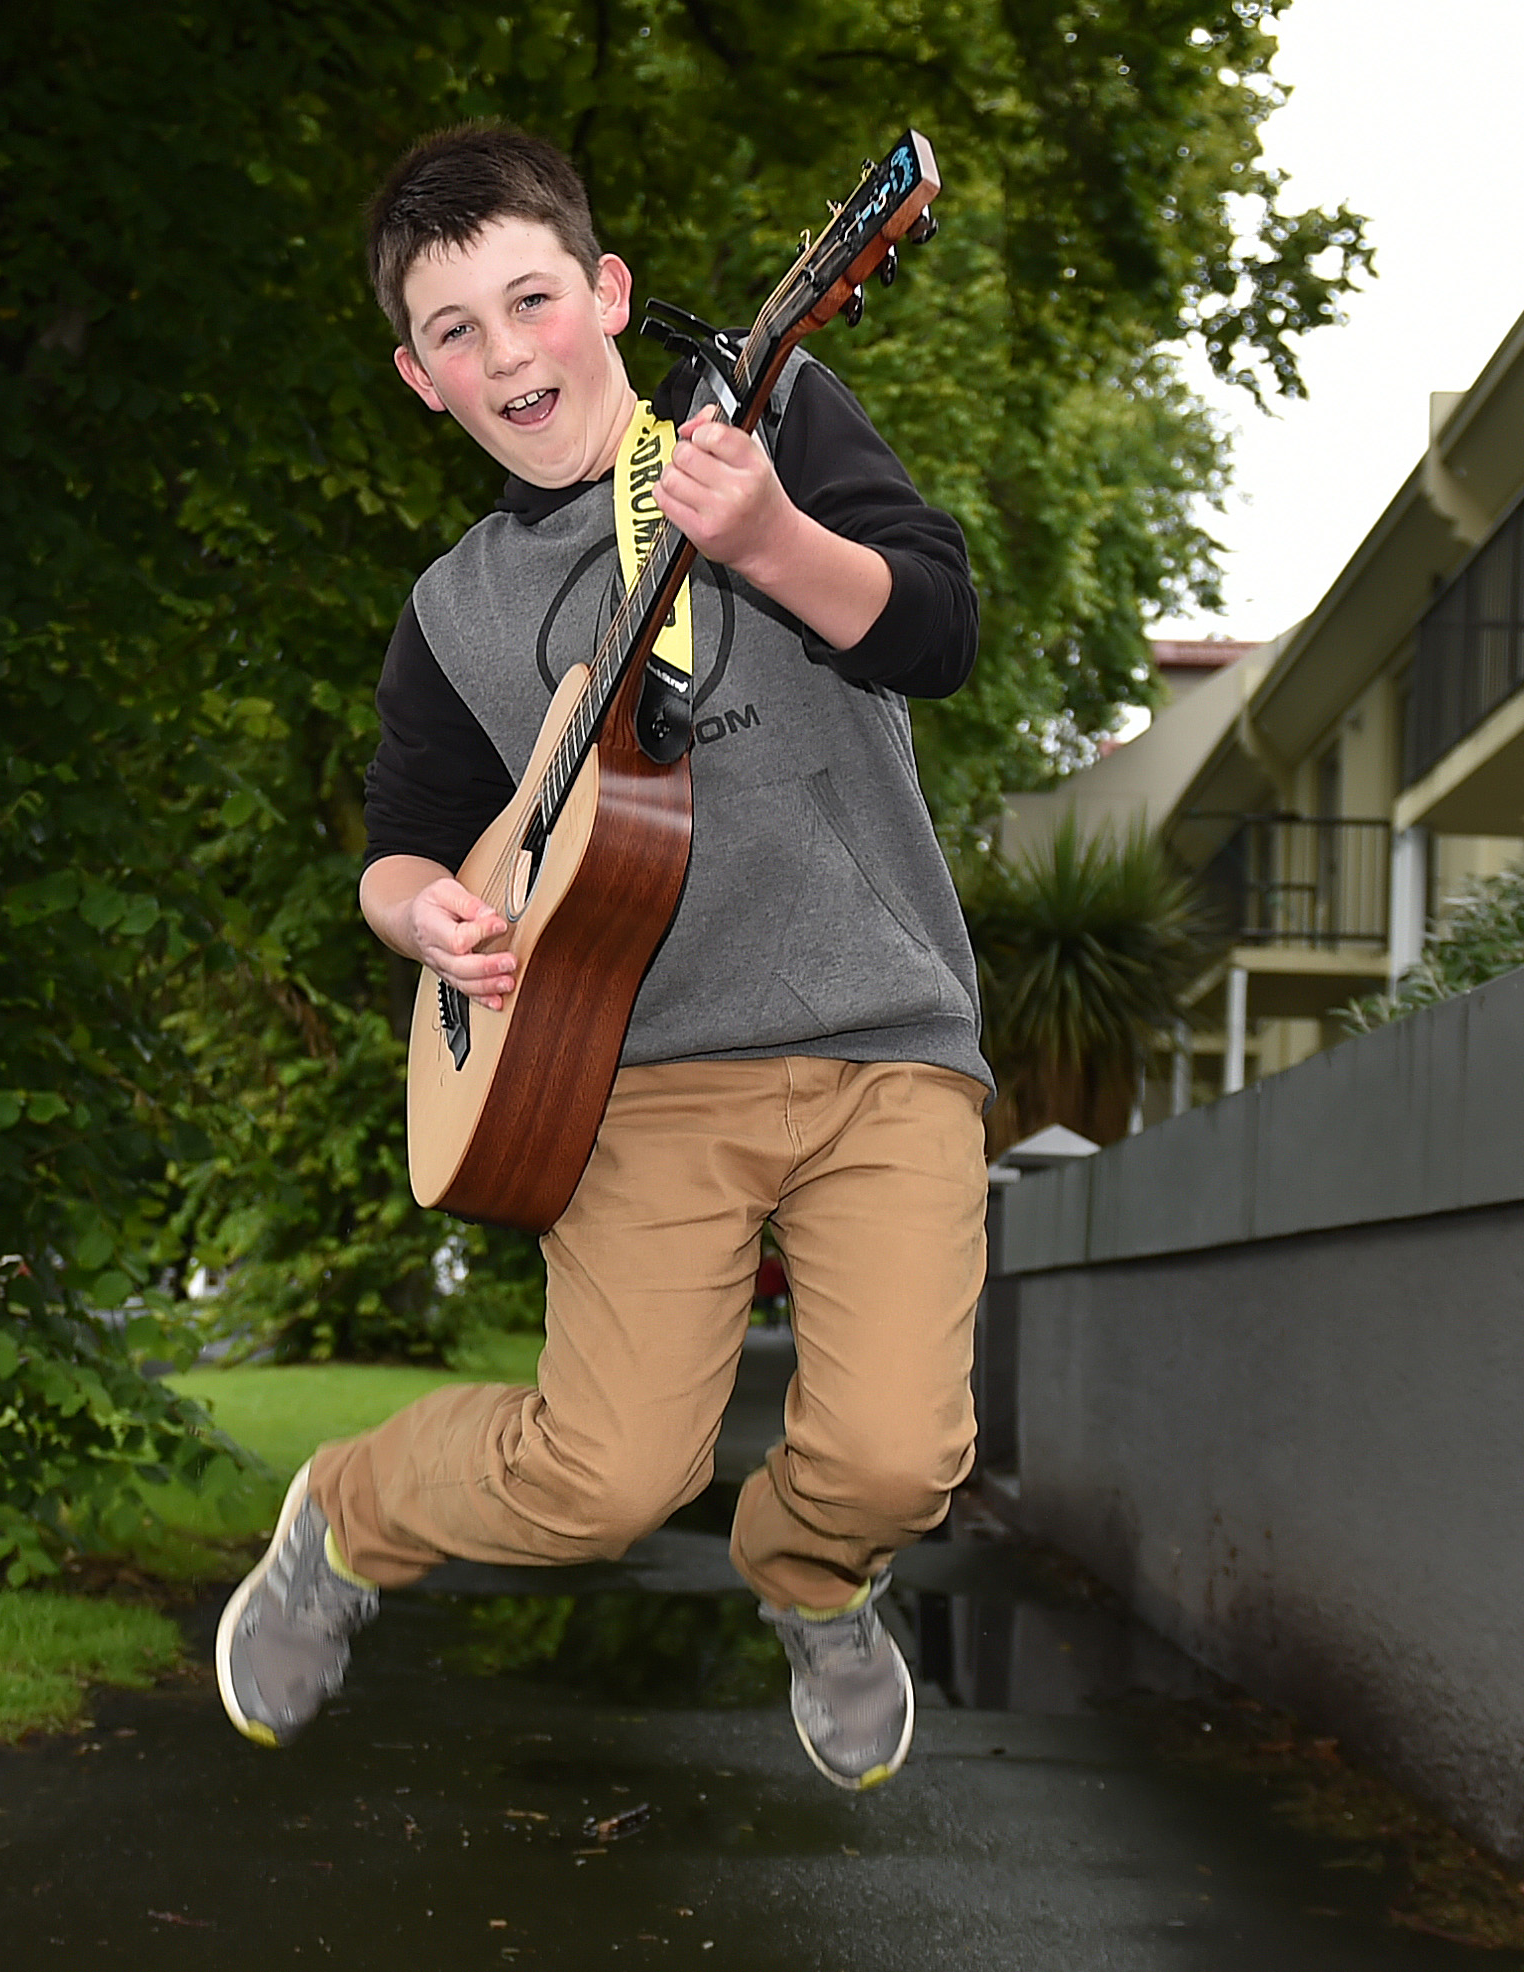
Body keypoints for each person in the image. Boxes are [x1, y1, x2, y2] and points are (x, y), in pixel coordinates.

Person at [216, 124, 992, 1792]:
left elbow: (939, 627)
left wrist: (774, 539)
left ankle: (814, 1580)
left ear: (611, 296)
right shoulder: (456, 612)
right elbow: (401, 843)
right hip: (629, 1080)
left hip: (888, 1040)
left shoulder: (762, 425)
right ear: (419, 378)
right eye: (456, 332)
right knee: (605, 1478)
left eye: (532, 300)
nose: (507, 353)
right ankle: (344, 1518)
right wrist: (424, 908)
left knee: (895, 1457)